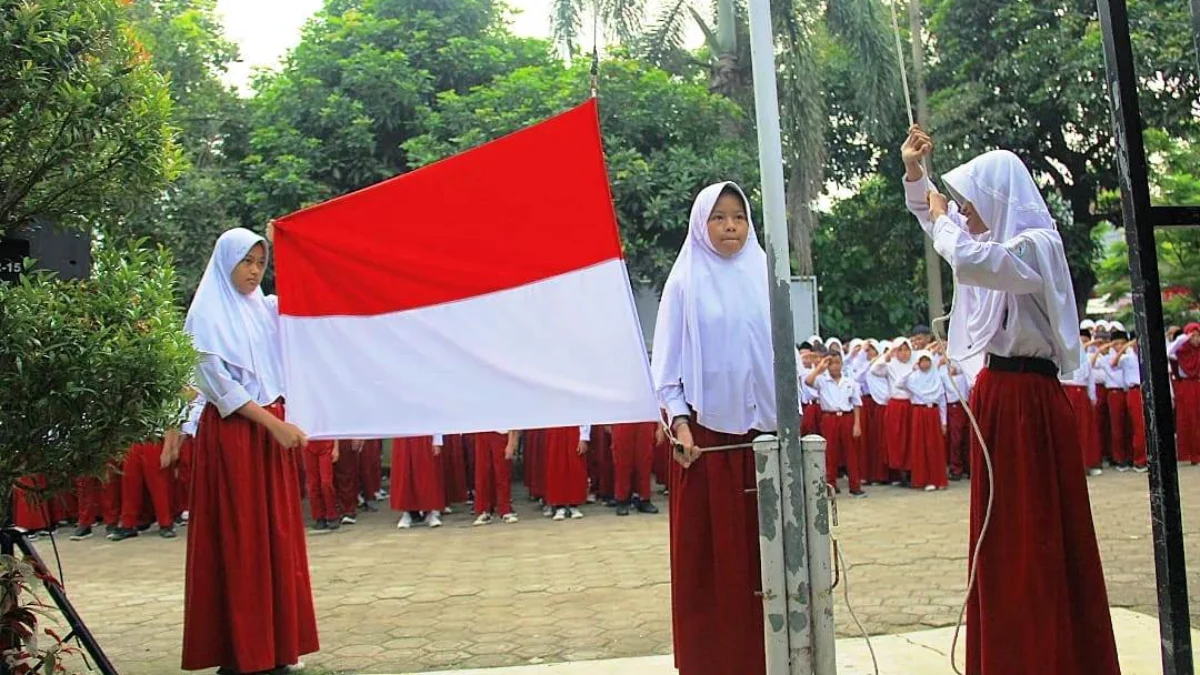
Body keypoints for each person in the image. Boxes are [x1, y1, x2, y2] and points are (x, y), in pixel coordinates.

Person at [902, 126, 1119, 675]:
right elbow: (941, 227)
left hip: (1030, 398)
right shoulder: (991, 243)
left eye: (974, 206)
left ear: (998, 201)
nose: (967, 215)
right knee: (1003, 534)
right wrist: (915, 175)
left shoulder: (1034, 247)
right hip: (999, 392)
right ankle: (1009, 653)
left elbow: (969, 256)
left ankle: (1052, 654)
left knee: (1037, 532)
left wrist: (947, 221)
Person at [650, 181, 774, 675]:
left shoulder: (765, 274)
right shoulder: (685, 282)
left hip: (763, 441)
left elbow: (778, 354)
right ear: (701, 225)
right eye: (719, 217)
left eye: (738, 217)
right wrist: (680, 425)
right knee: (713, 564)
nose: (730, 227)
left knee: (763, 562)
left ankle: (767, 659)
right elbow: (667, 369)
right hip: (706, 444)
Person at [182, 227, 318, 674]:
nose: (255, 271)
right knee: (242, 539)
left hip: (267, 432)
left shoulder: (263, 309)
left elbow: (305, 298)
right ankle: (242, 652)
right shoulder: (205, 316)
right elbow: (221, 390)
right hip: (235, 438)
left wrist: (296, 241)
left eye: (261, 262)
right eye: (247, 262)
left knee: (275, 535)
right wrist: (274, 426)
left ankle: (277, 646)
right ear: (226, 262)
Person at [806, 352, 866, 496]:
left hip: (846, 417)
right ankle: (830, 485)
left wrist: (857, 424)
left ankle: (855, 486)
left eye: (837, 363)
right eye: (831, 363)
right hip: (829, 417)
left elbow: (856, 404)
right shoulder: (822, 380)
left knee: (851, 452)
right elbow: (808, 381)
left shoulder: (849, 382)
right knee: (830, 453)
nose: (835, 366)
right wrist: (820, 366)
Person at [872, 338, 916, 484]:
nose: (904, 353)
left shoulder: (915, 365)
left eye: (906, 349)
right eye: (900, 350)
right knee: (896, 438)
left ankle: (910, 472)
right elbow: (875, 369)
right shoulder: (890, 366)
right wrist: (888, 354)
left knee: (910, 439)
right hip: (896, 405)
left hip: (911, 405)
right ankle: (898, 473)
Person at [904, 351, 948, 492]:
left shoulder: (937, 378)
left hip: (933, 413)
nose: (925, 364)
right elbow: (899, 383)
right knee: (921, 446)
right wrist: (911, 369)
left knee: (935, 447)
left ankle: (938, 479)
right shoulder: (913, 378)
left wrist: (944, 421)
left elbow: (942, 401)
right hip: (919, 412)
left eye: (927, 360)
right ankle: (924, 480)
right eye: (922, 361)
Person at [1061, 326, 1102, 476]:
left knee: (1086, 430)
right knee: (1070, 430)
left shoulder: (1083, 355)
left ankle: (1088, 463)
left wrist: (1092, 396)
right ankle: (1071, 466)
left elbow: (1089, 376)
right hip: (1068, 390)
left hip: (1081, 392)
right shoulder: (1061, 351)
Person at [391, 435, 447, 529]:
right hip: (403, 436)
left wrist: (437, 441)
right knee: (405, 474)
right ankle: (407, 513)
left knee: (426, 475)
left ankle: (429, 512)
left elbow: (437, 420)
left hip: (424, 436)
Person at [610, 421, 661, 516]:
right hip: (622, 419)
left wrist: (660, 425)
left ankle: (644, 499)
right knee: (622, 460)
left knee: (645, 459)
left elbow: (658, 406)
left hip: (645, 419)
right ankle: (622, 500)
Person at [1168, 323, 1200, 464]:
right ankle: (1192, 454)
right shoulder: (1181, 351)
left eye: (1198, 336)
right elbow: (1169, 351)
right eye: (1193, 336)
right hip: (1187, 386)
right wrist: (1184, 338)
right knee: (1191, 420)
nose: (1196, 339)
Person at [473, 430, 520, 526]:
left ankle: (505, 510)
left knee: (502, 473)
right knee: (482, 474)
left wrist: (512, 442)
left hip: (501, 433)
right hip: (482, 433)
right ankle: (484, 510)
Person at [1114, 338, 1147, 473]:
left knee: (1146, 427)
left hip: (1145, 390)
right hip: (1133, 391)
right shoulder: (1126, 358)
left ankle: (1145, 458)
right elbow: (1113, 362)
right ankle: (1139, 461)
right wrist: (1125, 346)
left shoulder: (1144, 356)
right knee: (1138, 427)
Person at [545, 426, 591, 521]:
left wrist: (583, 437)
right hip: (555, 430)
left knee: (576, 466)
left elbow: (585, 415)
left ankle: (574, 505)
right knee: (556, 465)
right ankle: (558, 506)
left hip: (574, 430)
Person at [940, 356, 973, 481]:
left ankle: (969, 467)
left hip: (966, 405)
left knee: (967, 437)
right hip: (953, 405)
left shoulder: (964, 369)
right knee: (956, 439)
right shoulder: (942, 372)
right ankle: (956, 468)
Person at [303, 440, 341, 533]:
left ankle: (332, 515)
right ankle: (319, 517)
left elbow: (333, 429)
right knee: (313, 484)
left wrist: (336, 448)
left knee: (326, 482)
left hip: (326, 444)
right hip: (308, 445)